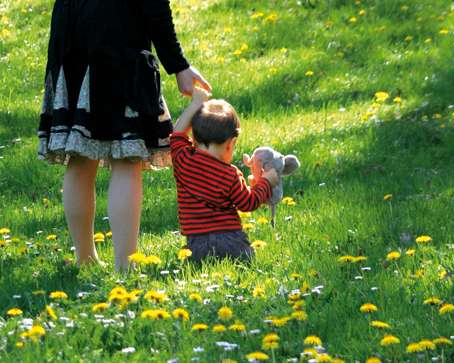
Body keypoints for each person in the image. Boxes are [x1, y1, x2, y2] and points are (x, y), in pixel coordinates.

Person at [37, 0, 211, 271]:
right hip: (117, 38)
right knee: (126, 157)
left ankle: (85, 259)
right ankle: (126, 266)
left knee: (81, 156)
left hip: (70, 31)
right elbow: (154, 7)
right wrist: (179, 66)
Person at [170, 88, 279, 262]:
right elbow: (248, 203)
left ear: (194, 137)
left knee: (199, 263)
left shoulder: (182, 160)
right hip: (232, 243)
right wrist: (266, 181)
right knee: (242, 260)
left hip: (195, 246)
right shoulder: (230, 175)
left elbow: (176, 134)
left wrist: (195, 104)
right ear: (231, 143)